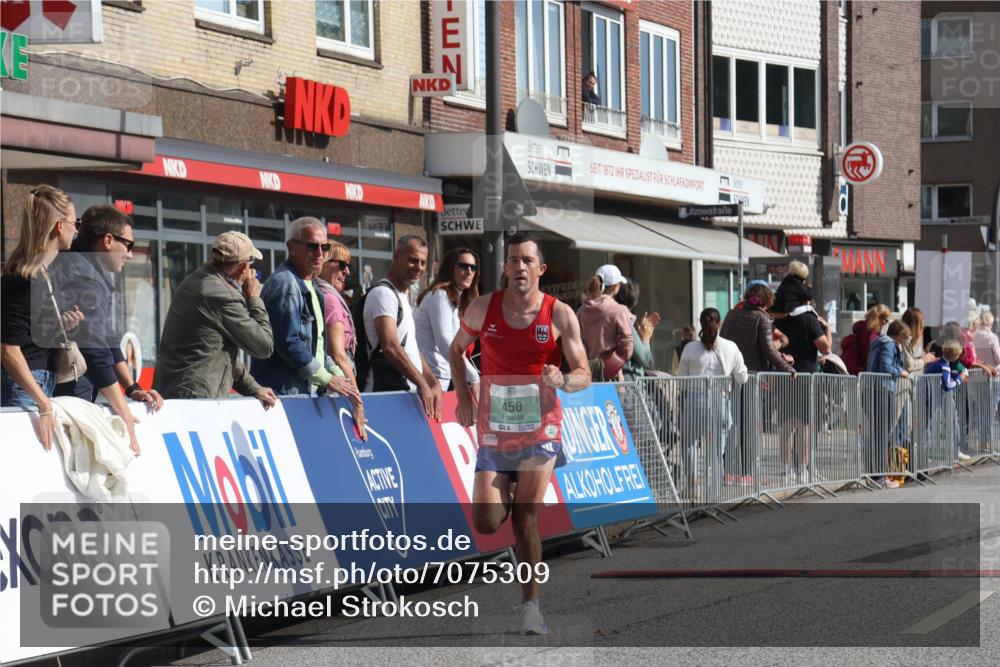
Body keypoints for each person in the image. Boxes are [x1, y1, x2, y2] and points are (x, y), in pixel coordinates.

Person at [448, 232, 590, 636]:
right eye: (513, 260)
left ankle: (531, 607)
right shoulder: (483, 307)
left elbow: (584, 373)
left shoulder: (559, 314)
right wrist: (463, 396)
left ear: (540, 269)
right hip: (495, 428)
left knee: (527, 518)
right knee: (488, 522)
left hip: (540, 429)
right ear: (505, 268)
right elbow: (456, 350)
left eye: (527, 260)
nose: (519, 267)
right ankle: (505, 488)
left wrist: (563, 378)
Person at [49, 205, 165, 455]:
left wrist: (132, 388)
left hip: (72, 382)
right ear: (108, 240)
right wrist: (124, 411)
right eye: (129, 245)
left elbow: (107, 336)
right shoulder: (82, 275)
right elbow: (95, 349)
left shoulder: (88, 269)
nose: (131, 255)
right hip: (68, 387)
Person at [154, 231, 277, 409]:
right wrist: (254, 299)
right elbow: (264, 346)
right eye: (251, 263)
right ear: (243, 267)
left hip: (182, 391)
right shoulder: (222, 294)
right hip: (195, 398)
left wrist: (254, 389)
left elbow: (222, 354)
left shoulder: (198, 279)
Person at [1, 185, 82, 450]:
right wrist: (43, 403)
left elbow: (25, 335)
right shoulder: (27, 279)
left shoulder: (42, 274)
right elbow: (8, 351)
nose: (77, 229)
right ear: (60, 226)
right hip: (26, 388)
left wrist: (60, 325)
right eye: (75, 222)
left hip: (36, 385)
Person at [251, 218, 362, 408]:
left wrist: (338, 375)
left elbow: (317, 345)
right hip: (283, 396)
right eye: (312, 247)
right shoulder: (286, 284)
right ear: (291, 247)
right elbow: (288, 343)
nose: (320, 253)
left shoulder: (311, 285)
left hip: (302, 392)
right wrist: (328, 378)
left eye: (324, 247)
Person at [361, 236, 443, 420]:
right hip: (384, 397)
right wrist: (422, 384)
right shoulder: (383, 294)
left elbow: (411, 346)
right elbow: (390, 345)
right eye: (413, 260)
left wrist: (432, 382)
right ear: (396, 257)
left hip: (404, 396)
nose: (419, 267)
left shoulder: (400, 296)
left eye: (423, 262)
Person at [678, 308, 749, 497]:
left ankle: (693, 485)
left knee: (689, 443)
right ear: (719, 323)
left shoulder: (690, 348)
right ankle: (714, 492)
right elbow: (742, 377)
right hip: (721, 400)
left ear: (701, 324)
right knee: (717, 450)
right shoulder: (731, 347)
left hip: (695, 400)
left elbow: (681, 379)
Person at [414, 247, 481, 391]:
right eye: (463, 266)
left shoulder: (453, 299)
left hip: (442, 378)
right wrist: (473, 376)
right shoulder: (440, 295)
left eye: (473, 268)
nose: (469, 272)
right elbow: (445, 342)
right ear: (450, 268)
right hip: (431, 379)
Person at [316, 242, 366, 431]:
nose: (347, 272)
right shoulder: (329, 299)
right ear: (326, 263)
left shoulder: (326, 294)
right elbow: (338, 355)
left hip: (337, 386)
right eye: (342, 265)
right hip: (335, 389)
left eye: (349, 267)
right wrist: (357, 402)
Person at [865, 320, 912, 488]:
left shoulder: (878, 342)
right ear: (899, 335)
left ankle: (874, 474)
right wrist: (901, 372)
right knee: (882, 434)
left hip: (873, 389)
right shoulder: (890, 345)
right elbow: (886, 367)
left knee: (877, 434)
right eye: (904, 337)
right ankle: (879, 476)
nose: (905, 341)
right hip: (883, 390)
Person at [721, 281, 795, 374]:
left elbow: (722, 340)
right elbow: (769, 351)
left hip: (730, 371)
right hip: (754, 374)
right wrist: (788, 368)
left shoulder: (731, 314)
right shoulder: (763, 318)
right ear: (766, 302)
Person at [578, 265, 633, 381]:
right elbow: (627, 344)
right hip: (611, 372)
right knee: (612, 399)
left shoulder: (582, 310)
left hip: (587, 372)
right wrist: (620, 358)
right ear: (615, 287)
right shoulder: (619, 310)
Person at [925, 339, 969, 462]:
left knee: (929, 425)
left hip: (930, 396)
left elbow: (947, 379)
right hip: (929, 397)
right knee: (926, 426)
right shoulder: (944, 366)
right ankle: (923, 454)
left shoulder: (941, 363)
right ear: (956, 355)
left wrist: (958, 377)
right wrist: (960, 379)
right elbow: (947, 386)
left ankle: (925, 453)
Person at [613, 280, 659, 382]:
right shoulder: (625, 322)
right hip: (628, 385)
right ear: (635, 302)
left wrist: (639, 335)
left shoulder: (610, 318)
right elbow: (646, 360)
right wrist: (646, 338)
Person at [841, 305, 890, 375]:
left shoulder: (863, 328)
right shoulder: (871, 334)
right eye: (886, 320)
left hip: (852, 366)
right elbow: (868, 354)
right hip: (859, 370)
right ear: (878, 318)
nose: (886, 323)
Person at [901, 307, 935, 374]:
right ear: (916, 325)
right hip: (902, 383)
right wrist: (924, 360)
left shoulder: (908, 339)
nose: (923, 326)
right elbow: (909, 366)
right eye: (921, 325)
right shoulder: (906, 339)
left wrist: (924, 356)